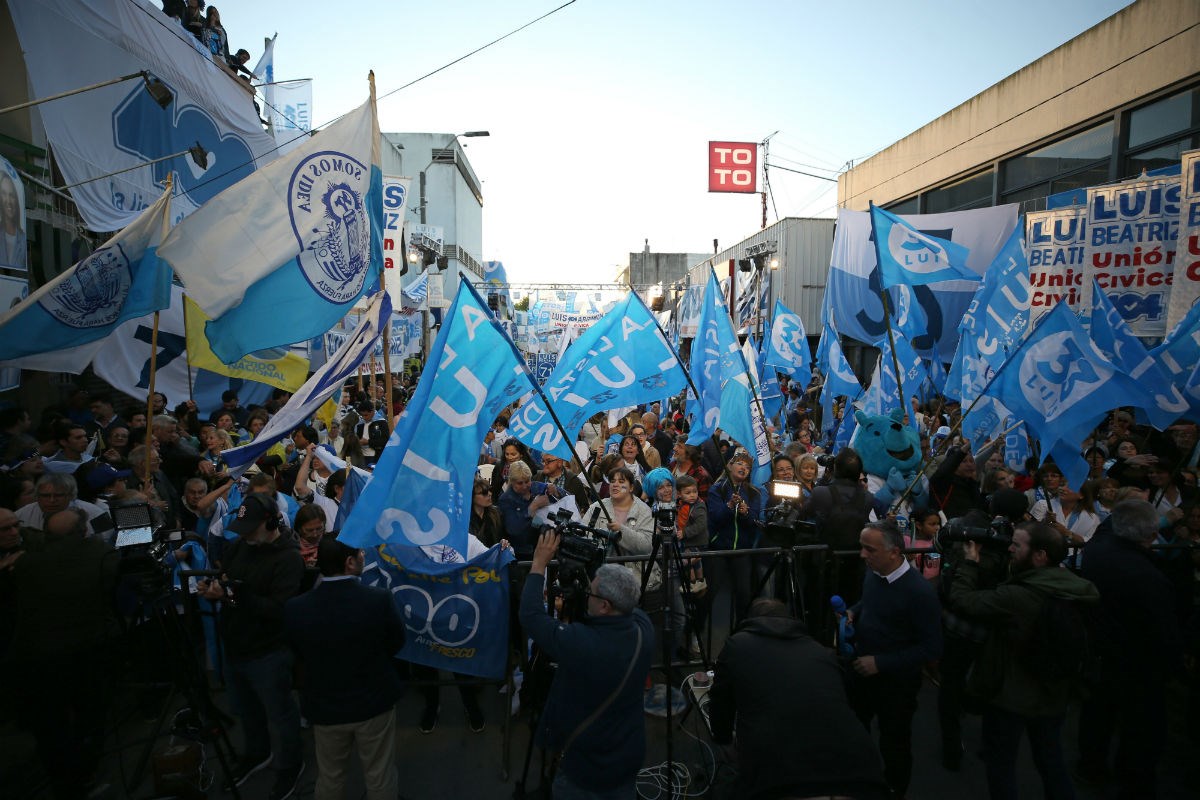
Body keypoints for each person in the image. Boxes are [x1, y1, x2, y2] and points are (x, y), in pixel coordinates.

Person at [948, 521, 1099, 800]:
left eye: (1017, 545)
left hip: (1010, 696)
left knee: (1001, 765)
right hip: (1054, 694)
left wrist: (970, 563)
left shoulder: (1019, 596)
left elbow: (964, 601)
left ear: (1040, 555)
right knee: (1051, 762)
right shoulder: (1075, 588)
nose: (1010, 549)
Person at [709, 598, 888, 800]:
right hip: (858, 772)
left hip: (781, 777)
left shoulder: (737, 645)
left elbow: (720, 702)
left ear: (750, 621)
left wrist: (723, 739)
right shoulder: (822, 652)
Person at [520, 531, 653, 799]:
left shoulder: (582, 643)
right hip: (627, 754)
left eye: (590, 591)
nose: (586, 592)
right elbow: (622, 603)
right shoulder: (644, 629)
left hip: (586, 769)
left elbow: (531, 616)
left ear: (604, 606)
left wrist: (538, 564)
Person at [2, 508, 119, 798]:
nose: (15, 532)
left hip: (67, 654)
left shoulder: (33, 558)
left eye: (16, 526)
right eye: (6, 529)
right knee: (55, 725)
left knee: (76, 717)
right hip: (33, 658)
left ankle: (77, 775)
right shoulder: (42, 560)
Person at [198, 493, 306, 800]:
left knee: (280, 714)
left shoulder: (288, 558)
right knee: (247, 710)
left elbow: (278, 610)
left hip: (269, 651)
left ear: (270, 522)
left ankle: (289, 765)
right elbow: (232, 589)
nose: (244, 535)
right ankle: (258, 753)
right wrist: (219, 592)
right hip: (236, 644)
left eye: (250, 528)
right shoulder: (238, 548)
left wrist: (234, 596)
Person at [284, 536, 405, 800]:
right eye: (360, 554)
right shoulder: (378, 600)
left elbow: (297, 652)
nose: (364, 557)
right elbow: (396, 641)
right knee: (380, 775)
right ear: (349, 563)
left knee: (330, 776)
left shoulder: (297, 609)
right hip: (373, 702)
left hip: (325, 706)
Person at [1076, 499, 1183, 797]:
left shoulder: (1097, 549)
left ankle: (1091, 766)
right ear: (1150, 536)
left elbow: (1112, 525)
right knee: (1141, 727)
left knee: (1097, 715)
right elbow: (1166, 633)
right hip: (1139, 664)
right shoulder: (1149, 578)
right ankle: (1133, 778)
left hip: (1100, 652)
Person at [847, 519, 943, 800]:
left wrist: (881, 663)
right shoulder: (873, 572)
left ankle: (894, 789)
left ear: (894, 552)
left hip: (897, 684)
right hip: (860, 670)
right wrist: (854, 611)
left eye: (870, 550)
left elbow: (932, 648)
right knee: (857, 730)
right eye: (862, 547)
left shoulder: (920, 593)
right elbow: (869, 601)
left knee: (895, 742)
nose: (863, 555)